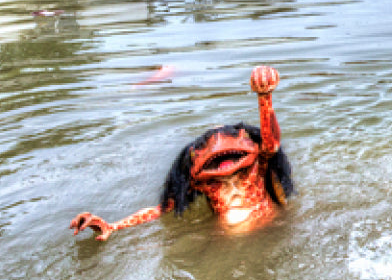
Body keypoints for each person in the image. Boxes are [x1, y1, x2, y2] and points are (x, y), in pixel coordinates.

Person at [71, 66, 293, 241]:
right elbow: (159, 210)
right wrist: (112, 226)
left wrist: (265, 97)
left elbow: (271, 143)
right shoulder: (201, 182)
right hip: (227, 239)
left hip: (273, 227)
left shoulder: (257, 165)